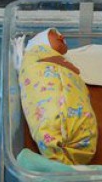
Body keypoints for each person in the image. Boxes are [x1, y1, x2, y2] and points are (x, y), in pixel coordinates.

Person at [19, 28, 97, 165]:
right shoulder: (35, 54)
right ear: (40, 42)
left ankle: (59, 165)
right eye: (55, 35)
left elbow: (75, 78)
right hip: (55, 116)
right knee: (50, 112)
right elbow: (74, 70)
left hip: (71, 122)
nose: (62, 37)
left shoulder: (54, 59)